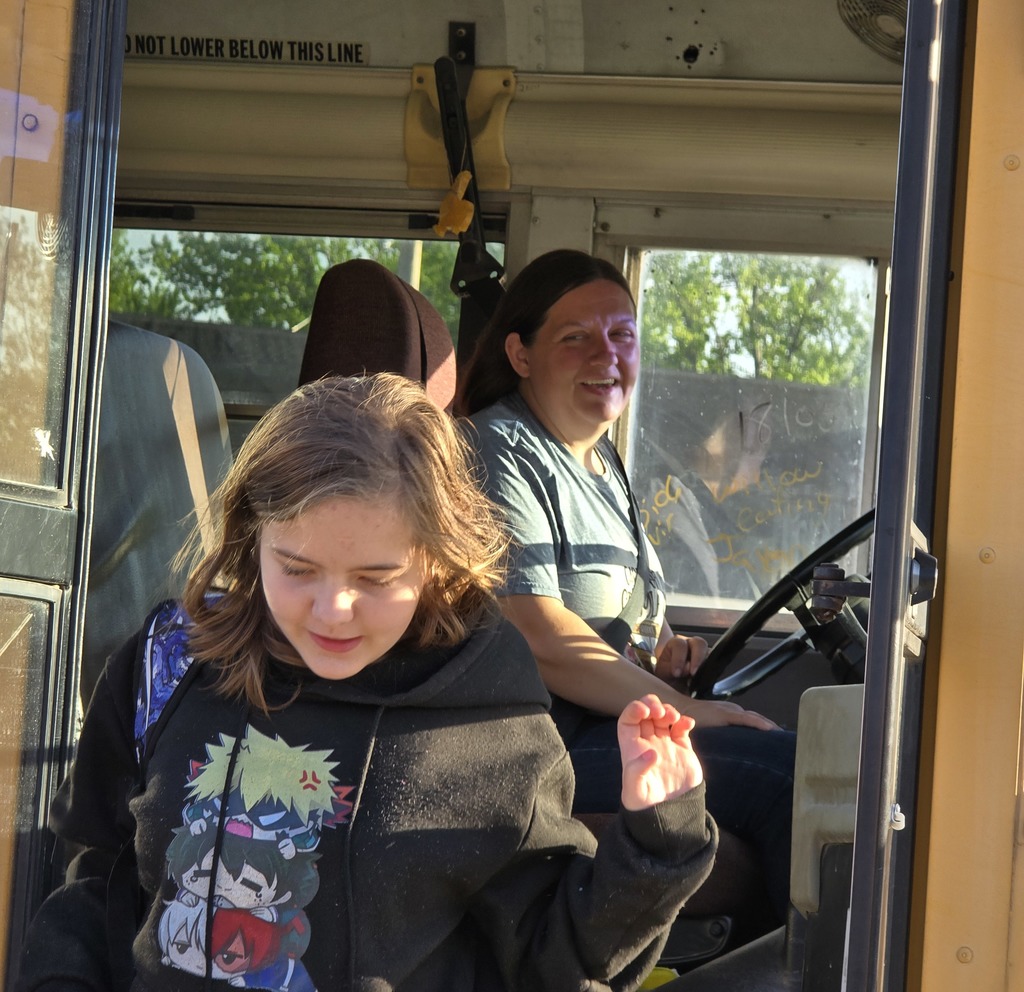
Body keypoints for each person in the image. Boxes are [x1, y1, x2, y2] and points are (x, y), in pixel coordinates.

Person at [16, 372, 717, 992]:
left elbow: (557, 960)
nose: (331, 611)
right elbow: (92, 874)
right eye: (296, 568)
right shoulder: (168, 667)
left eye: (375, 579)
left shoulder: (492, 725)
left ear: (438, 561)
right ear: (250, 537)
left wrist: (659, 833)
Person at [458, 249, 796, 923]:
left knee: (805, 762)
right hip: (538, 743)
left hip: (609, 724)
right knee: (788, 779)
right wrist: (684, 711)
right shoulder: (499, 449)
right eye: (576, 338)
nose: (605, 356)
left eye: (622, 336)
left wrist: (666, 650)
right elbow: (537, 633)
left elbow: (629, 615)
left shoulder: (602, 462)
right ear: (521, 354)